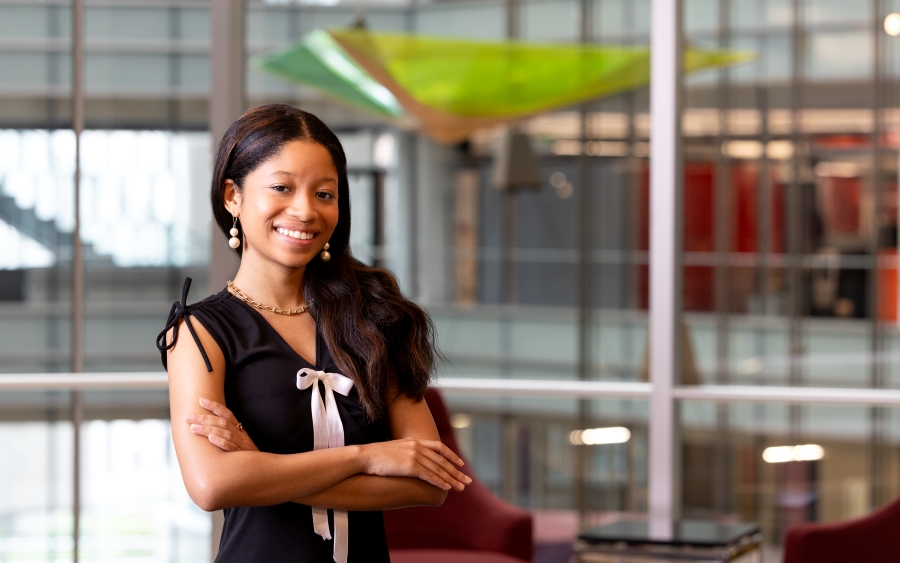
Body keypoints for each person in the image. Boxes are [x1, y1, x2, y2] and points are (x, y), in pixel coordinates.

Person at [156, 104, 470, 563]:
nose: (304, 210)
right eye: (281, 187)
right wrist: (365, 457)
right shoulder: (199, 332)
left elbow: (428, 482)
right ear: (232, 196)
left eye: (325, 194)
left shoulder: (376, 317)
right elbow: (212, 484)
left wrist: (263, 467)